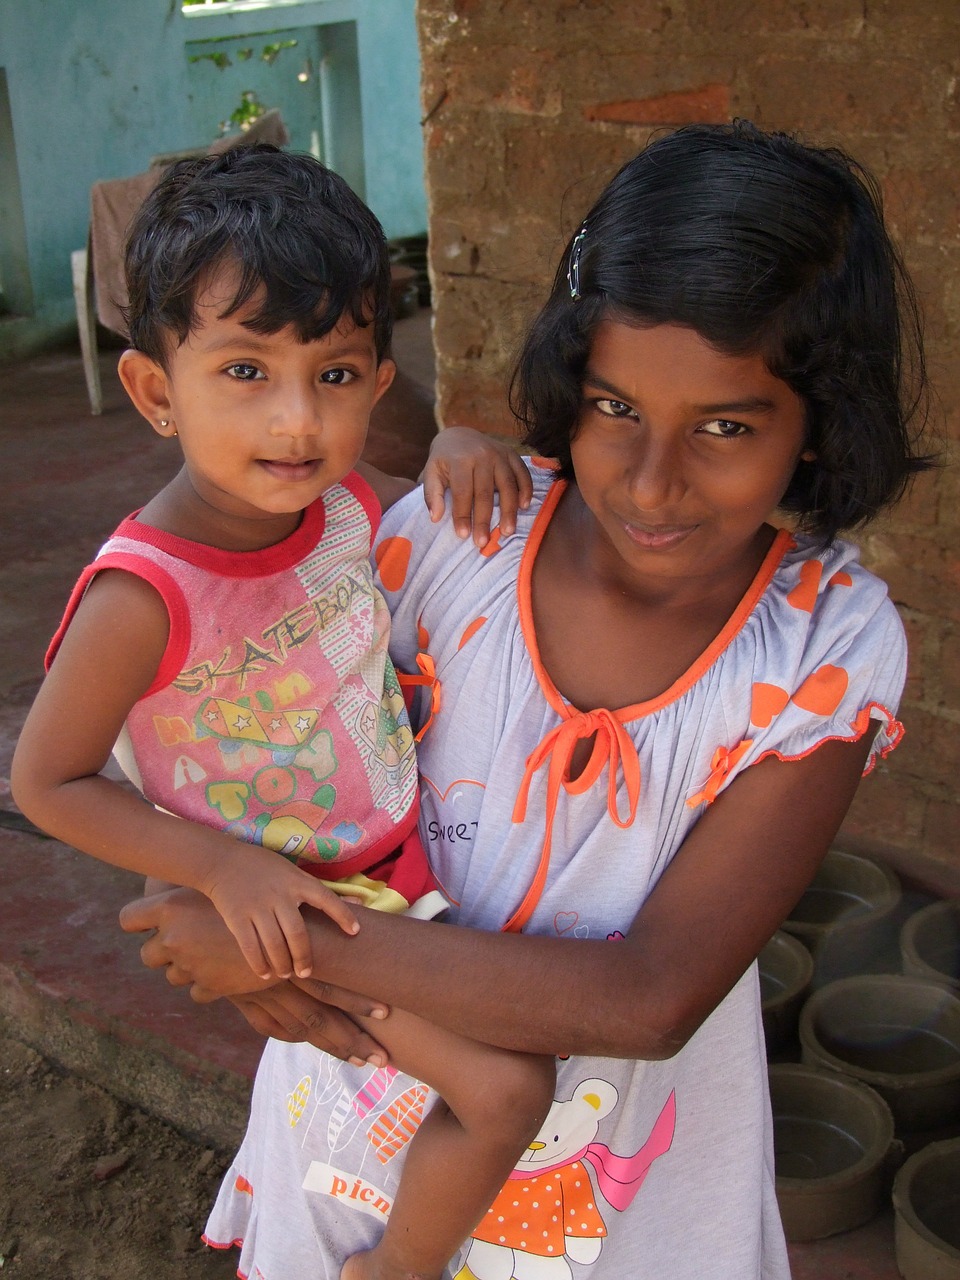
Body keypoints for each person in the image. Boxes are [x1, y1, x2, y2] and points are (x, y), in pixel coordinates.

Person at [116, 121, 931, 1280]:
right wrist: (191, 882)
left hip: (619, 1220)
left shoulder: (821, 653)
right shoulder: (458, 537)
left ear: (820, 424)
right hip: (350, 1149)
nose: (652, 481)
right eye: (614, 408)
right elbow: (231, 710)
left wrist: (280, 943)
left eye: (727, 427)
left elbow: (648, 1000)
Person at [10, 144, 554, 1280]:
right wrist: (217, 868)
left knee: (405, 1086)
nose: (299, 421)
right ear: (157, 390)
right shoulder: (142, 593)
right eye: (247, 372)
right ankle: (392, 1266)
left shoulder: (348, 503)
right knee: (506, 1088)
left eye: (339, 374)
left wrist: (455, 448)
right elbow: (44, 781)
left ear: (377, 378)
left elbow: (428, 519)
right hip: (303, 912)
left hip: (399, 866)